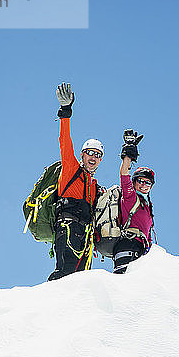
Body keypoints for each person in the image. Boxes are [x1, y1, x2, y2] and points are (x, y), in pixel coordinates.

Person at [48, 83, 104, 281]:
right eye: (90, 153)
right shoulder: (71, 167)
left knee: (81, 279)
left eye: (98, 155)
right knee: (65, 273)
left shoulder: (95, 187)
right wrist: (65, 112)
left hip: (85, 234)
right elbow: (65, 141)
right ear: (82, 154)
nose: (93, 157)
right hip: (68, 226)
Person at [113, 130, 155, 274]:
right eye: (140, 181)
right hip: (127, 246)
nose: (144, 184)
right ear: (134, 182)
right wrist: (128, 155)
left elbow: (147, 234)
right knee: (122, 287)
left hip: (140, 249)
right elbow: (124, 174)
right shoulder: (130, 197)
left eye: (148, 183)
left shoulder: (147, 207)